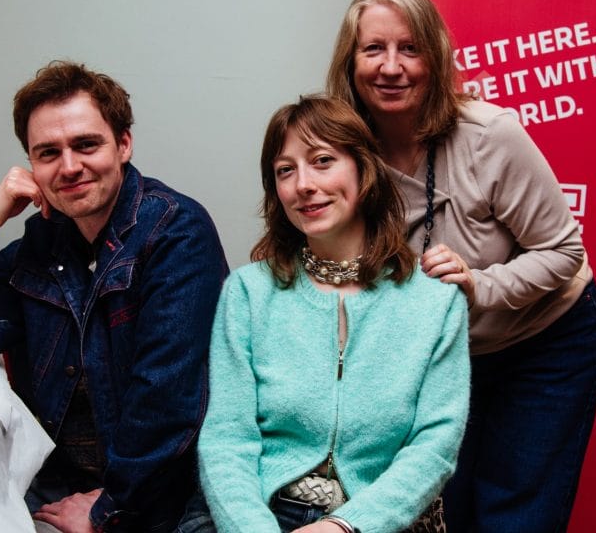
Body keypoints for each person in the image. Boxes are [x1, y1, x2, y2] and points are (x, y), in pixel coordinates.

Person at [326, 0, 596, 532]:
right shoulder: (339, 151)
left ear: (434, 57)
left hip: (541, 341)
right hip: (439, 357)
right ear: (350, 61)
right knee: (440, 512)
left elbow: (563, 250)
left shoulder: (489, 135)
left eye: (410, 48)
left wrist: (479, 285)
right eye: (373, 48)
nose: (391, 67)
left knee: (515, 516)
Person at [0, 61, 229, 533]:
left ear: (123, 144)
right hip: (54, 482)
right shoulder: (46, 239)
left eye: (86, 145)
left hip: (155, 502)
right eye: (48, 153)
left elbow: (166, 401)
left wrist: (109, 508)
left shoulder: (175, 232)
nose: (69, 167)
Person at [179, 96, 470, 533]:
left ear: (363, 169)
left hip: (372, 519)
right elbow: (228, 439)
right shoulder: (247, 293)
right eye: (285, 170)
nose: (303, 185)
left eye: (322, 161)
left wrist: (345, 526)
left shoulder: (436, 302)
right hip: (253, 512)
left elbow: (435, 447)